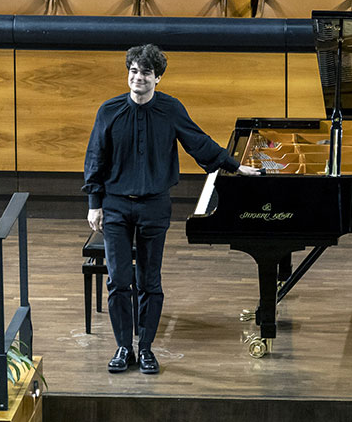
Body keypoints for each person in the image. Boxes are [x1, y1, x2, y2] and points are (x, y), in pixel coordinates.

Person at [83, 44, 260, 374]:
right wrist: (95, 204)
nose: (138, 78)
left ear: (158, 78)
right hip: (116, 206)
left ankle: (146, 348)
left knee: (150, 280)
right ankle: (123, 347)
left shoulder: (171, 109)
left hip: (155, 205)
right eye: (133, 71)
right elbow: (95, 159)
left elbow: (200, 143)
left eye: (145, 73)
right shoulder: (108, 111)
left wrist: (235, 166)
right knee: (119, 281)